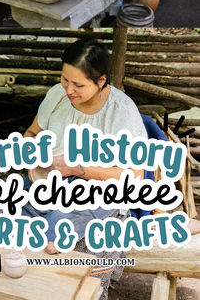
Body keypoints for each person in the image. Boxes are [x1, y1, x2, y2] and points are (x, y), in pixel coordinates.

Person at [23, 38, 148, 300]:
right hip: (52, 182)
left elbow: (134, 176)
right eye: (64, 79)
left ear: (101, 81)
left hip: (99, 189)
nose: (69, 90)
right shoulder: (56, 96)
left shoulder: (121, 112)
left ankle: (56, 238)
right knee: (14, 205)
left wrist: (78, 168)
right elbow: (33, 132)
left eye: (78, 85)